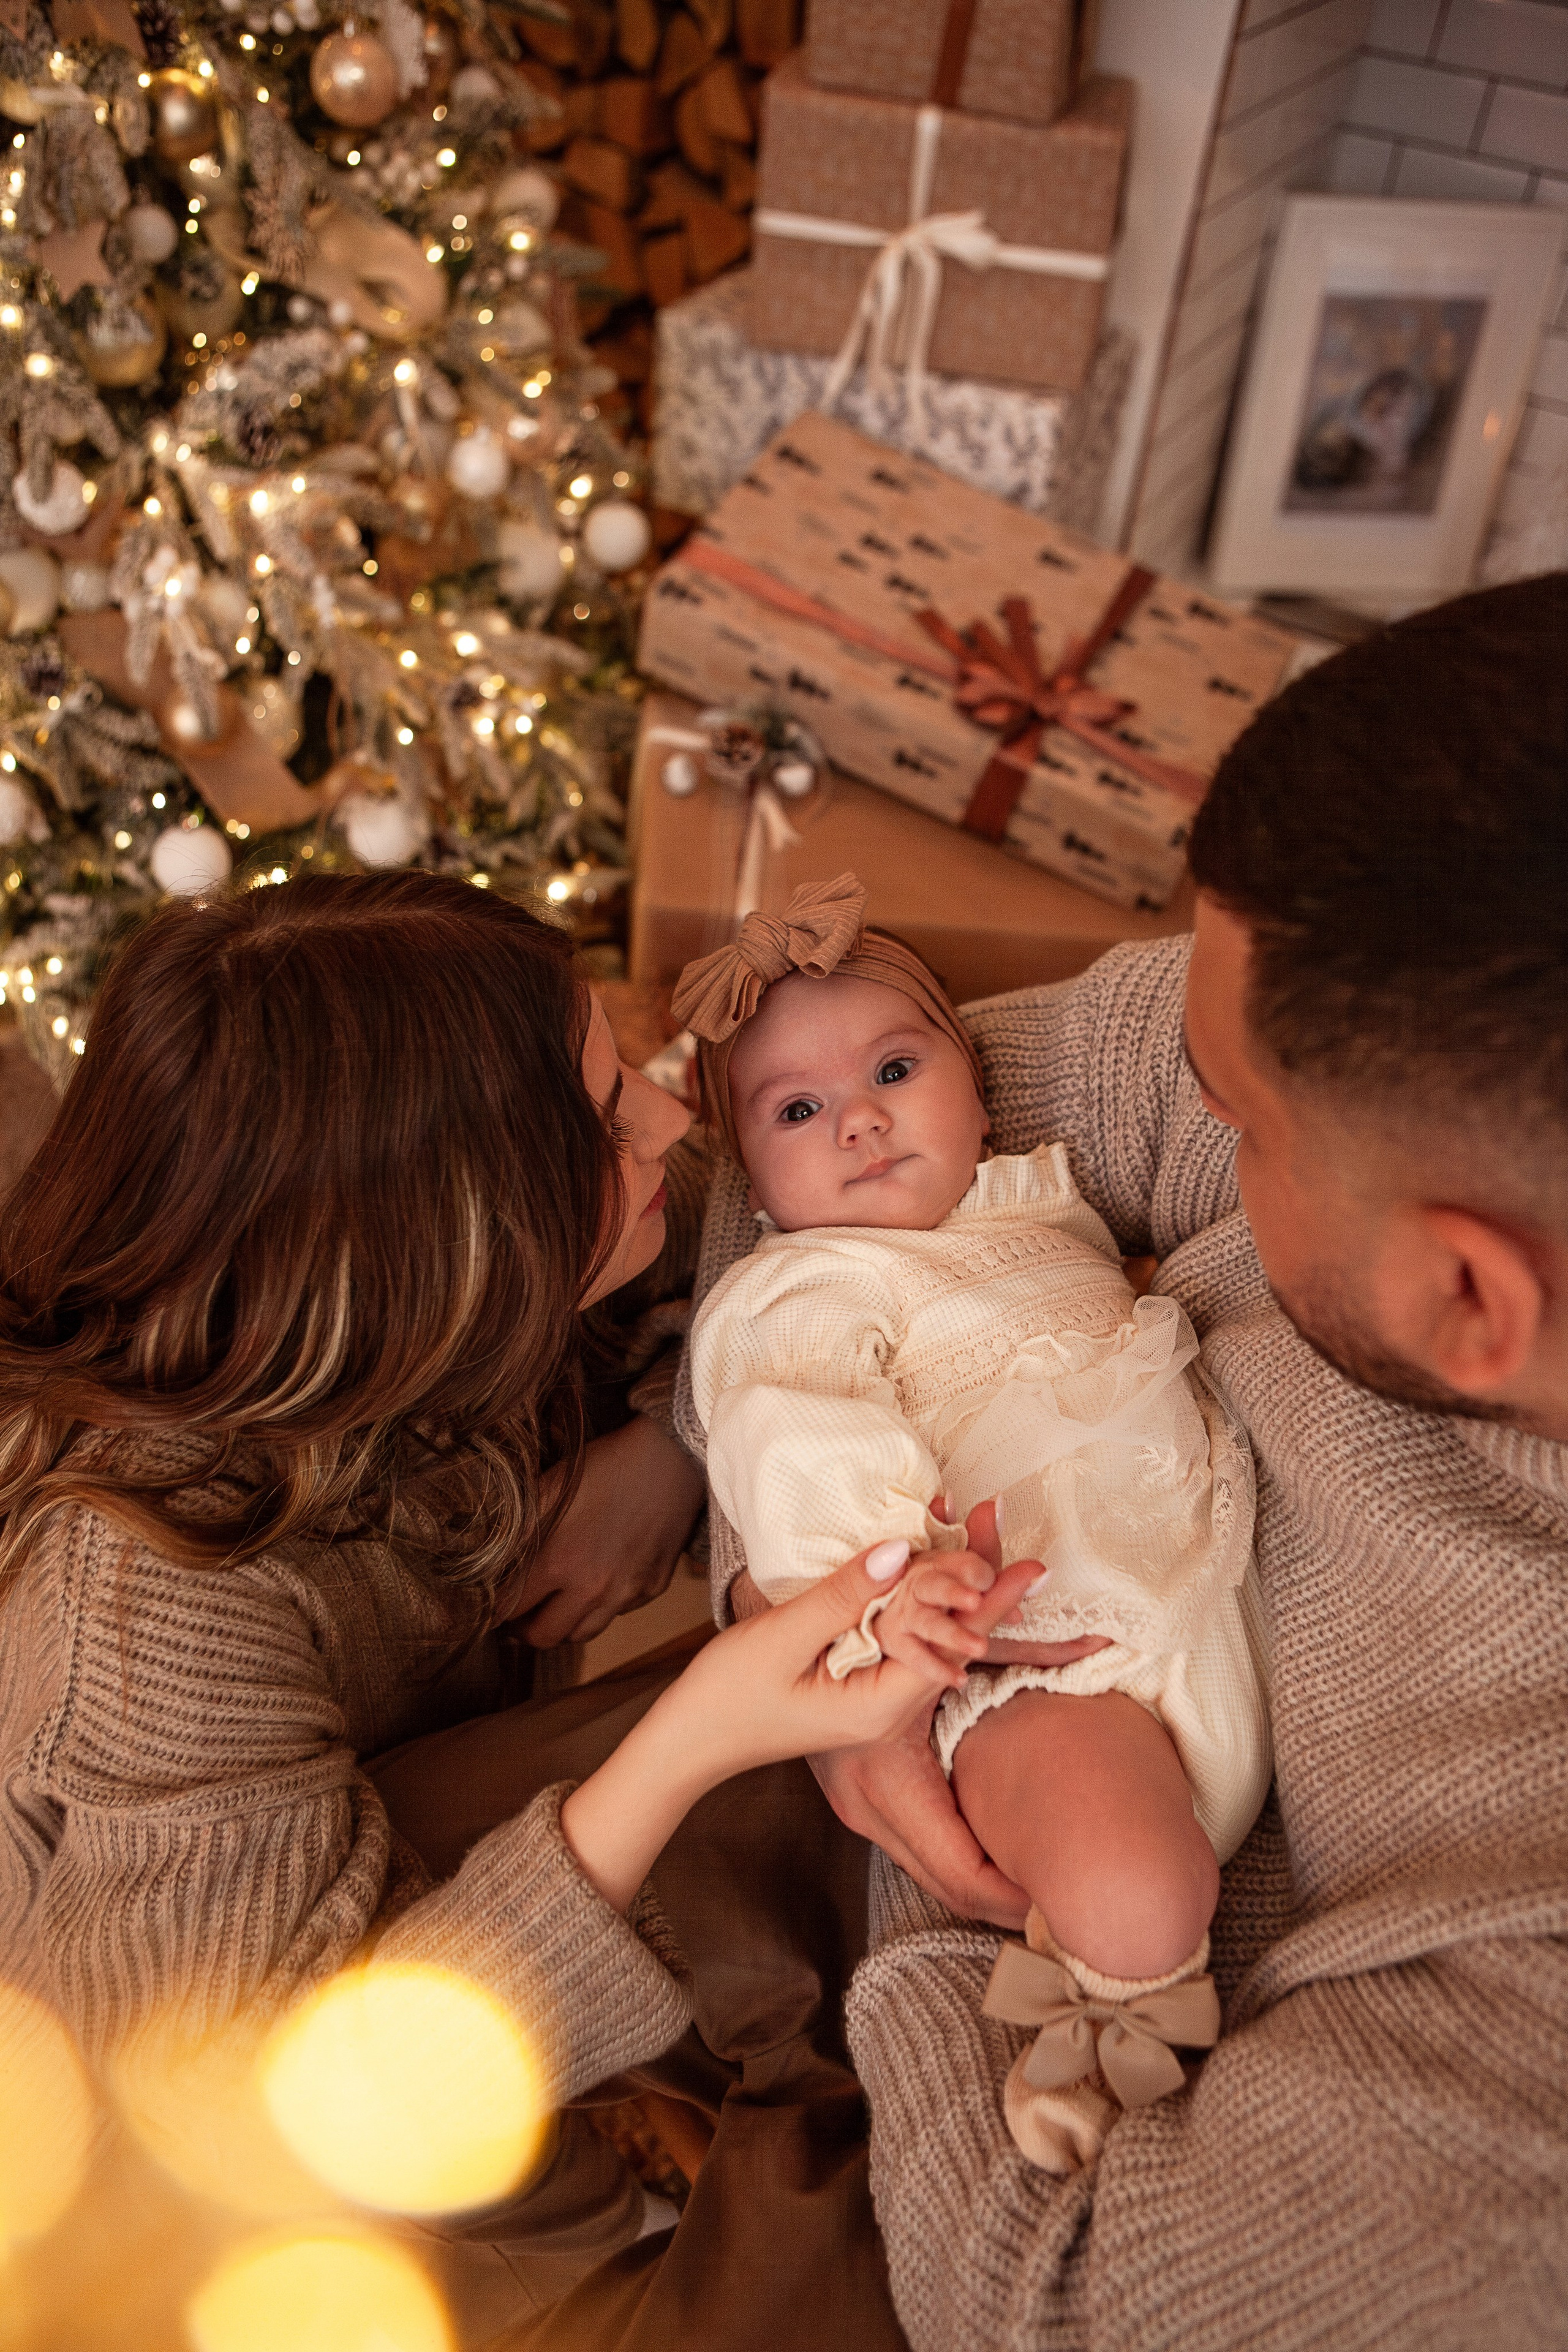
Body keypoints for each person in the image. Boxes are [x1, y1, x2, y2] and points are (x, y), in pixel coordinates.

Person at [677, 574, 1568, 2345]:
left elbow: (1052, 2284)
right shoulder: (1414, 1012)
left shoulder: (1510, 2101)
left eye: (1233, 1123)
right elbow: (830, 1163)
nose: (1183, 1124)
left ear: (1469, 1297)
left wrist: (935, 1858)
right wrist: (743, 1520)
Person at [0, 871, 1028, 2350]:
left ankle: (622, 2178)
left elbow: (838, 1152)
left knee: (823, 1864)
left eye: (630, 1078)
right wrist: (685, 1736)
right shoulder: (147, 1609)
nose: (675, 1125)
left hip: (406, 1895)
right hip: (261, 2190)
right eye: (613, 1125)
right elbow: (293, 2131)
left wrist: (677, 1443)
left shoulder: (383, 1291)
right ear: (452, 1251)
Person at [674, 875, 1268, 2173]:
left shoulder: (1042, 1211)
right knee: (1139, 1891)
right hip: (1030, 1655)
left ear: (980, 1087)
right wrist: (889, 1590)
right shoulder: (801, 1282)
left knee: (1170, 1852)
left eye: (895, 1065)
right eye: (795, 1110)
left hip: (1191, 1594)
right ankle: (1101, 2034)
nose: (860, 1120)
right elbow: (792, 1436)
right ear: (756, 1193)